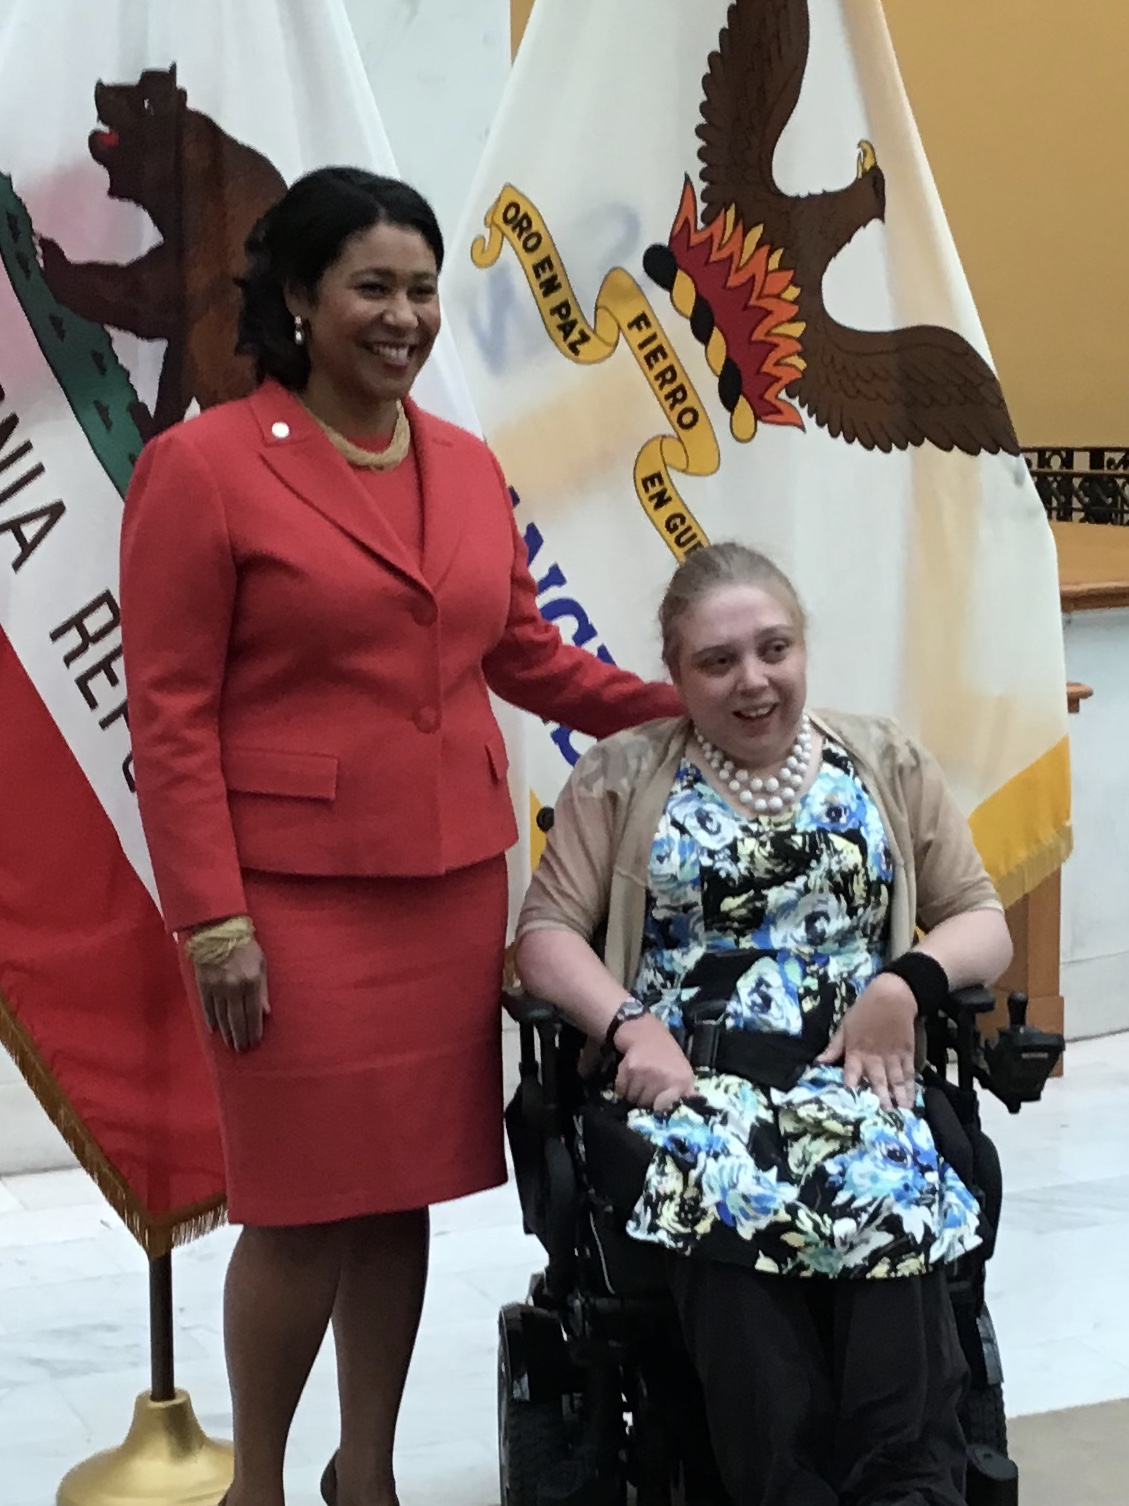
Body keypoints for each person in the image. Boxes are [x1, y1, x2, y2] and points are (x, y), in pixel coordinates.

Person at [118, 166, 682, 1506]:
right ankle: (255, 1479)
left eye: (423, 288)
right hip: (284, 906)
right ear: (299, 297)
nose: (404, 314)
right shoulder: (200, 468)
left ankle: (359, 1473)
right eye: (372, 285)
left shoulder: (469, 465)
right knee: (302, 1205)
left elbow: (530, 656)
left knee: (398, 1196)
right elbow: (173, 714)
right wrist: (213, 917)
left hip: (444, 892)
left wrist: (697, 703)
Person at [515, 542, 1014, 1506]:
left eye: (773, 649)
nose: (753, 681)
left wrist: (903, 984)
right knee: (723, 1184)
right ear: (676, 674)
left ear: (802, 650)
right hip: (691, 1084)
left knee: (885, 1174)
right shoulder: (624, 774)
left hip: (854, 1070)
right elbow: (543, 936)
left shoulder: (882, 759)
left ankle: (907, 1490)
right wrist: (628, 1027)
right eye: (718, 661)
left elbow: (980, 918)